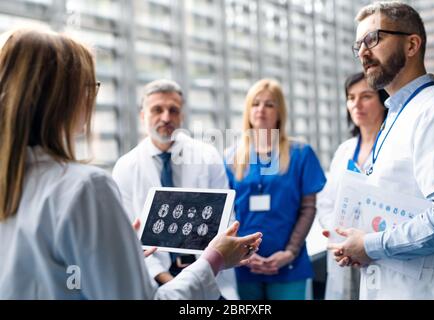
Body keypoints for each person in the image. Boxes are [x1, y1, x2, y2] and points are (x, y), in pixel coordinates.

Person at [0, 28, 262, 299]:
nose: (92, 98)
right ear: (64, 97)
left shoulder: (13, 181)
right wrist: (215, 258)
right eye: (90, 87)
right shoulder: (85, 187)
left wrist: (121, 249)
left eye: (173, 109)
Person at [327, 1, 434, 299]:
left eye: (373, 39)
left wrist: (370, 245)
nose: (363, 53)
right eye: (358, 45)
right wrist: (359, 244)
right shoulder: (395, 114)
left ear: (411, 45)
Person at [112, 79, 239, 299]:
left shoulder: (207, 156)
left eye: (173, 110)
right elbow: (126, 234)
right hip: (155, 277)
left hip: (209, 271)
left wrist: (203, 270)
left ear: (182, 116)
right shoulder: (125, 166)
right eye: (157, 110)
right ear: (143, 116)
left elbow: (225, 218)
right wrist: (170, 281)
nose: (166, 117)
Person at [225, 78, 327, 300]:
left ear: (280, 111)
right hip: (243, 265)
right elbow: (225, 212)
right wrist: (242, 253)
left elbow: (308, 208)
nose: (261, 109)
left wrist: (289, 252)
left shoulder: (301, 153)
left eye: (269, 104)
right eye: (256, 103)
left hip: (289, 265)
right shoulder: (231, 157)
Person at [317, 72, 388, 300]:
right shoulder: (344, 150)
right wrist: (338, 235)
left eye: (366, 96)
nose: (356, 104)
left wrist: (366, 242)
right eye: (350, 97)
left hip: (379, 252)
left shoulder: (393, 148)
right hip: (343, 250)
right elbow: (326, 202)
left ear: (383, 100)